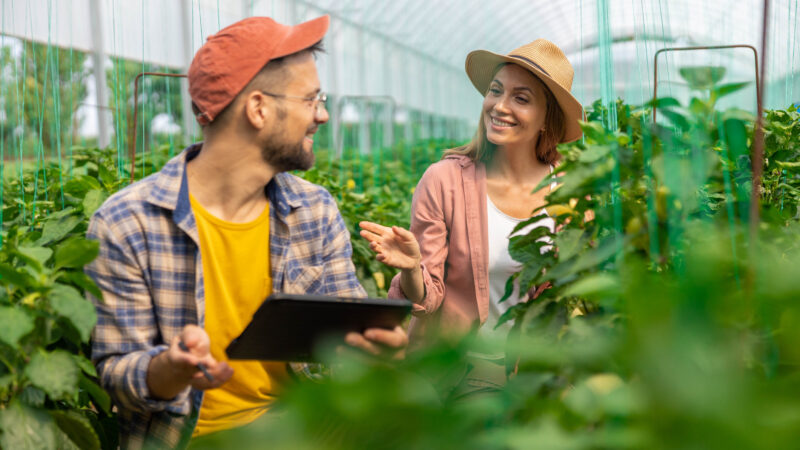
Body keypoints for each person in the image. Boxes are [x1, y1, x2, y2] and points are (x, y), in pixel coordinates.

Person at [85, 15, 407, 449]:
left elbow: (342, 337)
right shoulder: (127, 223)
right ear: (258, 109)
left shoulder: (314, 210)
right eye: (311, 99)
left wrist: (371, 351)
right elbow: (116, 375)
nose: (323, 115)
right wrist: (171, 367)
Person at [360, 39, 582, 355]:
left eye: (520, 98)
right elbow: (428, 298)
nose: (500, 106)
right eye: (495, 90)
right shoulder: (444, 181)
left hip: (535, 369)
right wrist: (412, 269)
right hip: (456, 366)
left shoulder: (571, 190)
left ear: (548, 119)